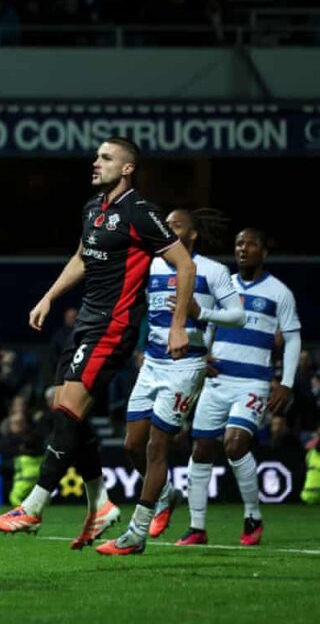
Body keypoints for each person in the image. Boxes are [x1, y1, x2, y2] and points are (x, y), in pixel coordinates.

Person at [0, 137, 195, 550]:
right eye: (96, 156)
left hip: (113, 327)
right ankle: (100, 504)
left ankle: (33, 506)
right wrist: (49, 296)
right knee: (65, 412)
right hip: (85, 323)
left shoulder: (140, 211)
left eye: (105, 157)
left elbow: (184, 265)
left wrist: (177, 325)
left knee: (67, 411)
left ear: (128, 168)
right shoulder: (93, 208)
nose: (95, 163)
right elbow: (82, 256)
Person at [98, 208, 245, 555]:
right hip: (151, 363)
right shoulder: (152, 265)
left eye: (175, 226)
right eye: (165, 226)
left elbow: (237, 316)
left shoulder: (211, 271)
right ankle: (165, 494)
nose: (167, 230)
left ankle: (136, 534)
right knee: (132, 444)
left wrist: (200, 313)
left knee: (156, 447)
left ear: (192, 234)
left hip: (185, 366)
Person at [177, 227, 301, 547]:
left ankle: (252, 515)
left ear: (264, 251)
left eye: (251, 244)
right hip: (217, 381)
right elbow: (205, 326)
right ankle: (197, 527)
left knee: (234, 445)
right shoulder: (224, 286)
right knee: (201, 448)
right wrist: (200, 356)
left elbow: (292, 338)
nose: (243, 249)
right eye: (238, 244)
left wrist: (286, 384)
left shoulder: (279, 292)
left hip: (253, 383)